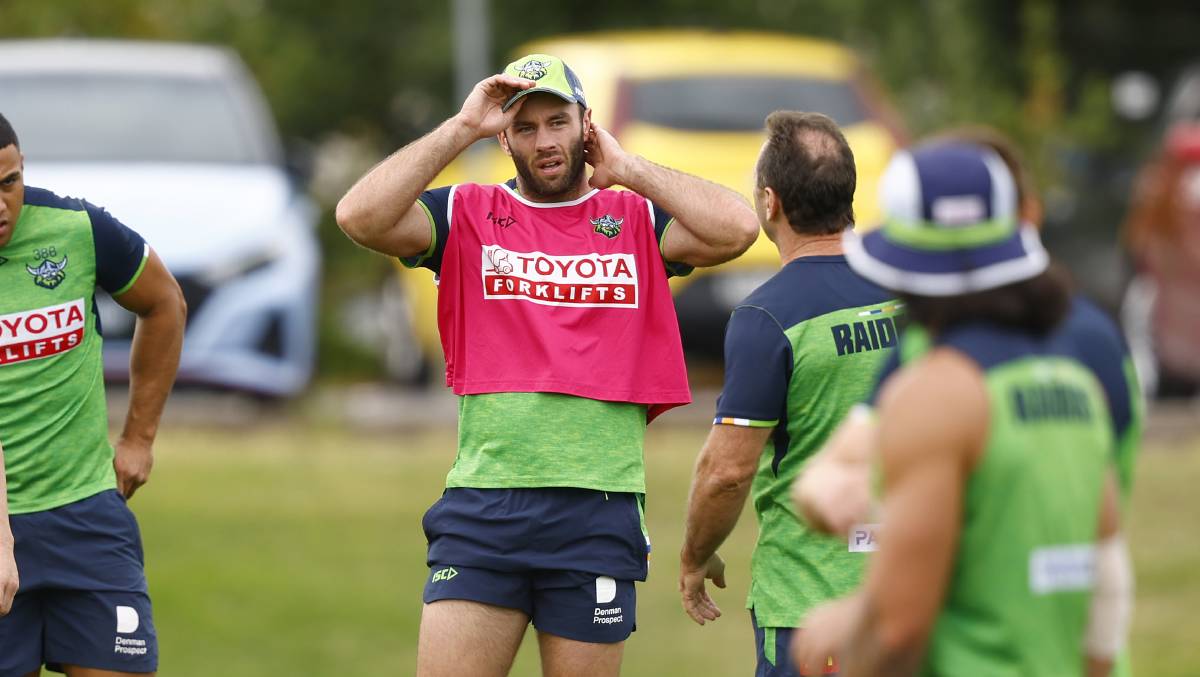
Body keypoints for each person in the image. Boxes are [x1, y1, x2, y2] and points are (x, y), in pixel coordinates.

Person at [335, 54, 758, 677]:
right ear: (505, 137)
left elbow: (739, 227)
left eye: (558, 122)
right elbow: (358, 216)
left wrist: (630, 169)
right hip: (485, 506)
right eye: (525, 128)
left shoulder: (634, 218)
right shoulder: (467, 213)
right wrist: (460, 128)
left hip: (598, 509)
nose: (545, 142)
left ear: (585, 124)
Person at [793, 127, 1144, 676]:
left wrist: (846, 628)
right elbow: (1107, 580)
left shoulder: (934, 391)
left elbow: (897, 629)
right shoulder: (1074, 383)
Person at [676, 111, 899, 676]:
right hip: (915, 589)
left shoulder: (766, 317)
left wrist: (695, 555)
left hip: (812, 605)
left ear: (769, 203)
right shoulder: (910, 291)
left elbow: (726, 472)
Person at [0, 112, 186, 677]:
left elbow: (164, 304)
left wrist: (138, 438)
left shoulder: (75, 227)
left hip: (86, 517)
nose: (1, 205)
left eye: (8, 182)